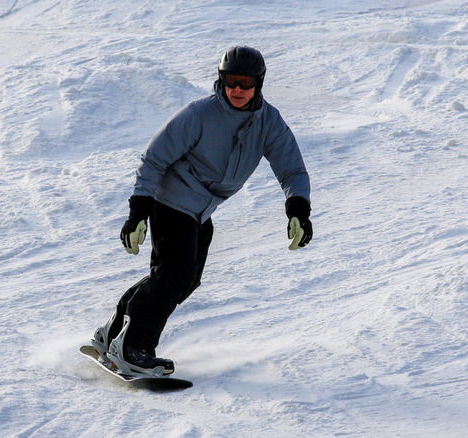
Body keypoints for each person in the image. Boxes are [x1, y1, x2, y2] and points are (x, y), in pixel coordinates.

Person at [90, 46, 313, 377]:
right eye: (230, 81)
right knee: (174, 273)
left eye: (245, 82)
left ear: (259, 83)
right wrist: (138, 212)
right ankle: (133, 347)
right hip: (172, 201)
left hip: (201, 212)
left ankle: (113, 332)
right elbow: (154, 159)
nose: (237, 89)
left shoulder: (269, 122)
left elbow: (292, 169)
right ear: (220, 80)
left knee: (184, 280)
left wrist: (298, 208)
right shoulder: (199, 114)